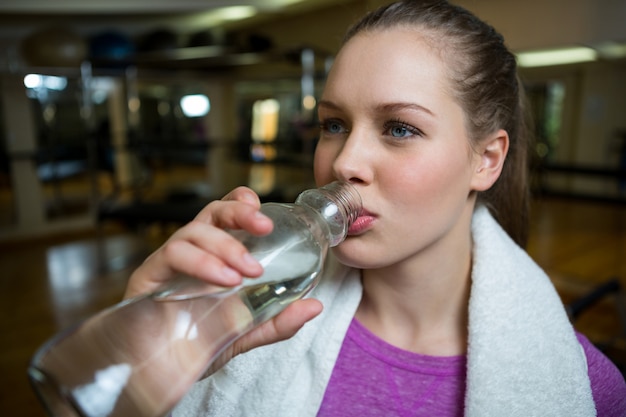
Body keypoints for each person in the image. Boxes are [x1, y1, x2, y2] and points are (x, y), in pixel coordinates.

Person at [125, 1, 626, 416]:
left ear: (487, 160)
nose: (344, 162)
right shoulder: (245, 315)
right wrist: (142, 357)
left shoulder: (587, 390)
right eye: (334, 124)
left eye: (399, 128)